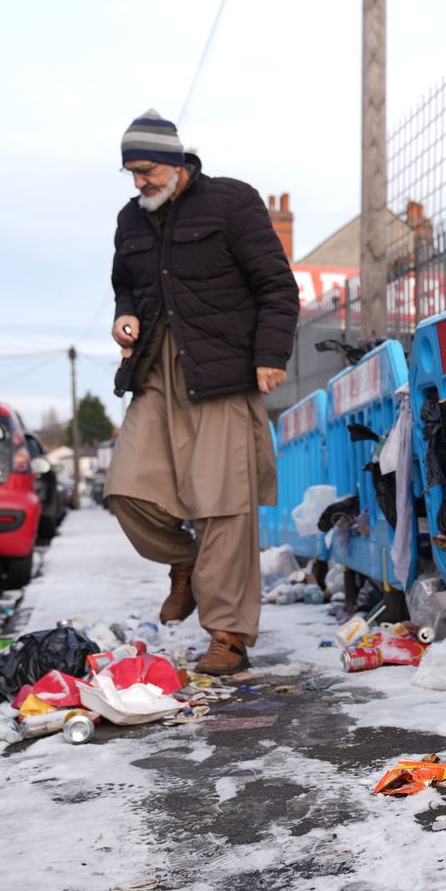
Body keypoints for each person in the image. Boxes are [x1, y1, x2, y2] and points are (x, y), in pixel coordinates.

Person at [105, 109, 299, 675]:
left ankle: (228, 634)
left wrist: (270, 355)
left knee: (224, 507)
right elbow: (125, 282)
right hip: (156, 374)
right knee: (127, 492)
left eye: (144, 170)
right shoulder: (130, 220)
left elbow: (276, 286)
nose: (138, 182)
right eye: (130, 173)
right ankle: (186, 565)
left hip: (222, 371)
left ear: (172, 162)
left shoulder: (232, 202)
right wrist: (124, 316)